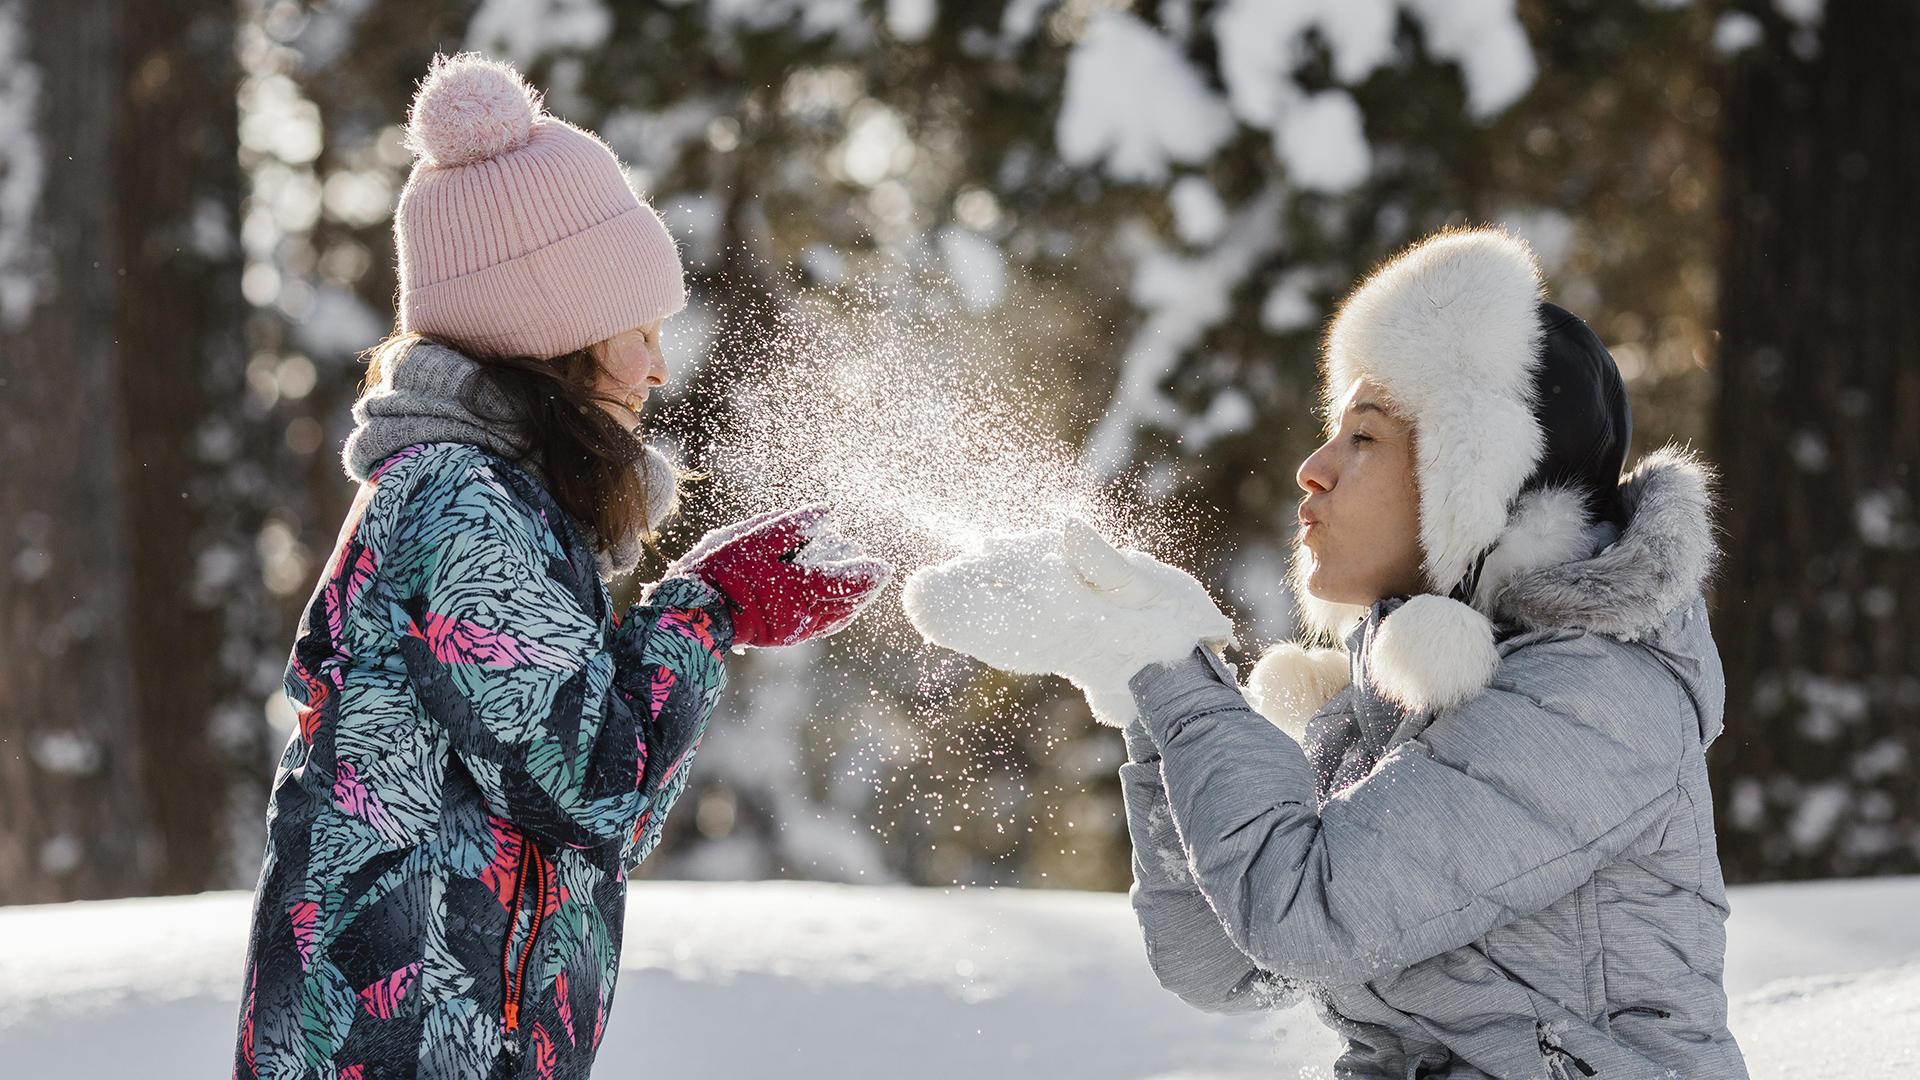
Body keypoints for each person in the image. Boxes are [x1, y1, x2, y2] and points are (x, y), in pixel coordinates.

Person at [906, 228, 1748, 1078]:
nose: (1312, 469)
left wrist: (1173, 670)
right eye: (1331, 432)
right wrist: (1143, 699)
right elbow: (1223, 966)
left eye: (1366, 438)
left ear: (1476, 475)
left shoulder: (1597, 698)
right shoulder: (1391, 703)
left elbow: (1304, 915)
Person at [231, 53, 891, 1080]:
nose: (658, 366)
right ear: (556, 333)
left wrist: (708, 603)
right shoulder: (458, 499)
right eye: (637, 328)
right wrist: (710, 608)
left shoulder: (500, 501)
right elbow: (589, 788)